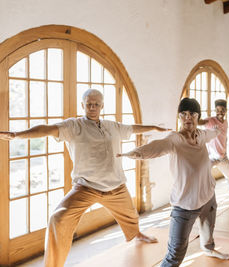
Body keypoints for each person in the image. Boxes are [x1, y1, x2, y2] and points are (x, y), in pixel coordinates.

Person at [0, 89, 170, 267]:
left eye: (96, 104)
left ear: (102, 106)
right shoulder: (73, 126)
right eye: (89, 104)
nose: (92, 107)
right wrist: (17, 135)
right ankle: (52, 265)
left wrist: (154, 127)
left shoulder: (112, 126)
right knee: (58, 219)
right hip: (86, 187)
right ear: (83, 105)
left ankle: (137, 235)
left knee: (130, 216)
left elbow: (132, 128)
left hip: (116, 186)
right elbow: (47, 129)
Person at [117, 98, 229, 267]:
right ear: (179, 117)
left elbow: (212, 133)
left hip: (208, 195)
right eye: (183, 114)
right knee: (175, 254)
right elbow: (158, 146)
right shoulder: (175, 139)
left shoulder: (201, 135)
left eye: (192, 114)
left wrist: (217, 130)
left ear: (197, 117)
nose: (187, 118)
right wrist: (135, 153)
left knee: (208, 228)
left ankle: (208, 248)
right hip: (185, 204)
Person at [198, 99, 229, 192]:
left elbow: (224, 137)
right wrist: (193, 119)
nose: (219, 112)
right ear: (215, 111)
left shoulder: (226, 123)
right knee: (203, 173)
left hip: (222, 155)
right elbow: (201, 122)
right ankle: (201, 191)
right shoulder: (211, 120)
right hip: (211, 156)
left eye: (222, 110)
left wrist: (225, 150)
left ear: (225, 111)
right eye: (217, 110)